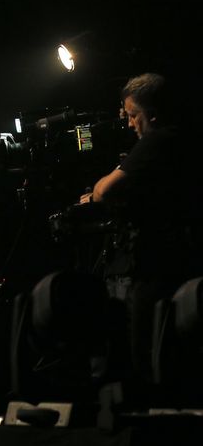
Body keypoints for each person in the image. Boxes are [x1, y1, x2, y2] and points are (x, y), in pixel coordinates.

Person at [79, 73, 199, 384]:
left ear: (153, 114)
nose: (131, 124)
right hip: (181, 260)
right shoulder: (187, 139)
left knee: (144, 352)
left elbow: (106, 191)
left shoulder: (158, 140)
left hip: (158, 264)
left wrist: (93, 195)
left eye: (134, 115)